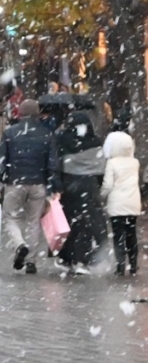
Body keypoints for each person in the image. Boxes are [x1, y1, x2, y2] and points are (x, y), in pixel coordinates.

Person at [0, 100, 61, 274]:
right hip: (38, 183)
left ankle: (19, 244)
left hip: (15, 182)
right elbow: (53, 163)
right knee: (33, 221)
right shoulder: (47, 134)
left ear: (20, 113)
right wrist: (54, 185)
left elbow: (1, 162)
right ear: (38, 113)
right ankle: (31, 261)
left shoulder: (9, 133)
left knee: (10, 217)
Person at [55, 111, 106, 275]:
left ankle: (66, 257)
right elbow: (101, 168)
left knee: (68, 222)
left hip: (68, 185)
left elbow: (56, 163)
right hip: (89, 186)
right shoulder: (95, 141)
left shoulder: (62, 140)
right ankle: (83, 259)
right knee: (87, 224)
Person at [101, 130, 140, 276]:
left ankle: (120, 265)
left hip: (117, 204)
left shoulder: (112, 163)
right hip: (132, 203)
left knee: (118, 235)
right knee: (131, 233)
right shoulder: (135, 163)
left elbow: (108, 185)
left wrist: (101, 196)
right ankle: (134, 264)